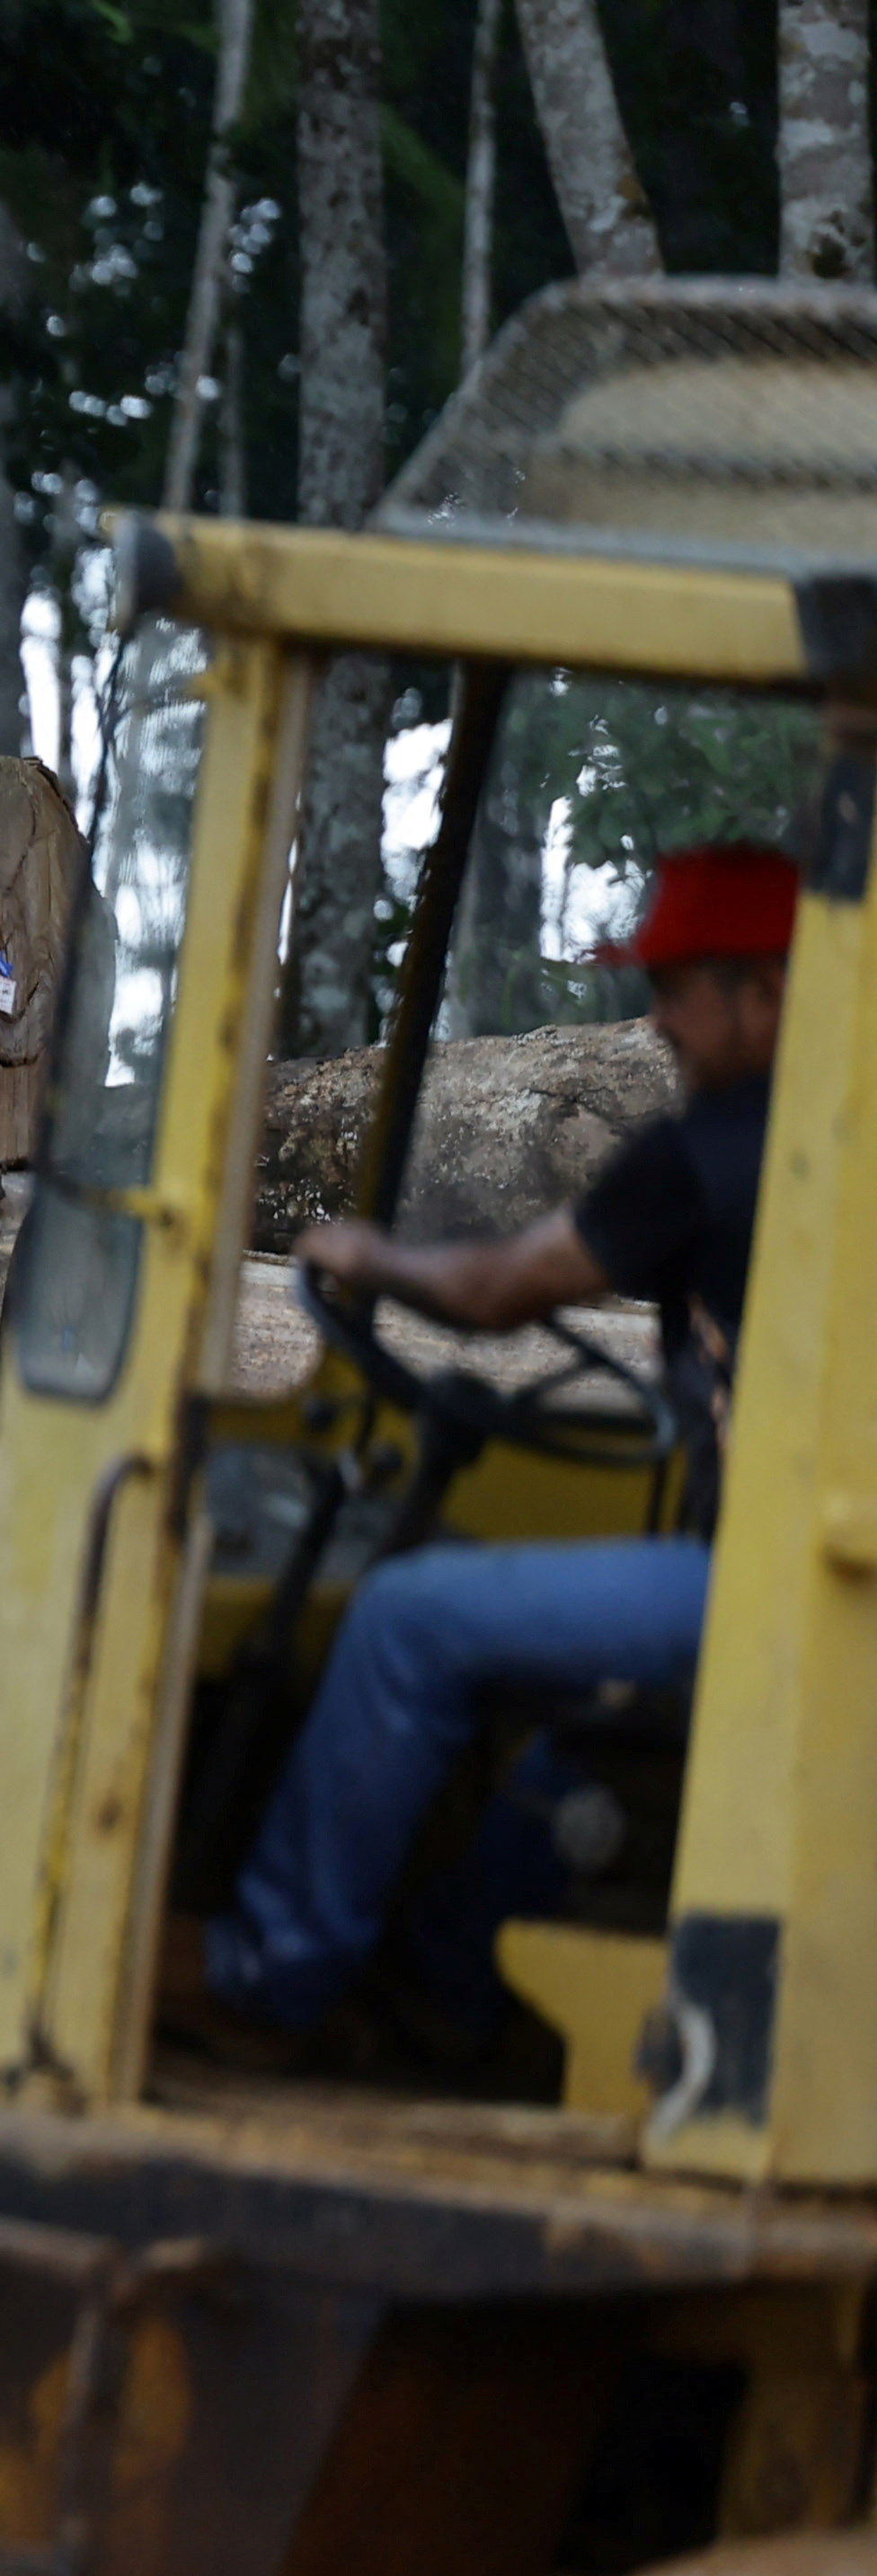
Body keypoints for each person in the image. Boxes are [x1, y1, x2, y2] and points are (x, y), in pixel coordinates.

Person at [179, 838, 797, 2055]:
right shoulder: (815, 1139)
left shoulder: (716, 1153)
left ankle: (272, 1970)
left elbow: (506, 1288)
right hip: (786, 1581)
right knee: (560, 1727)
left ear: (765, 991)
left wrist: (372, 1257)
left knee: (409, 1618)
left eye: (678, 987)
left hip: (766, 1594)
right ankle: (447, 1990)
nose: (658, 1018)